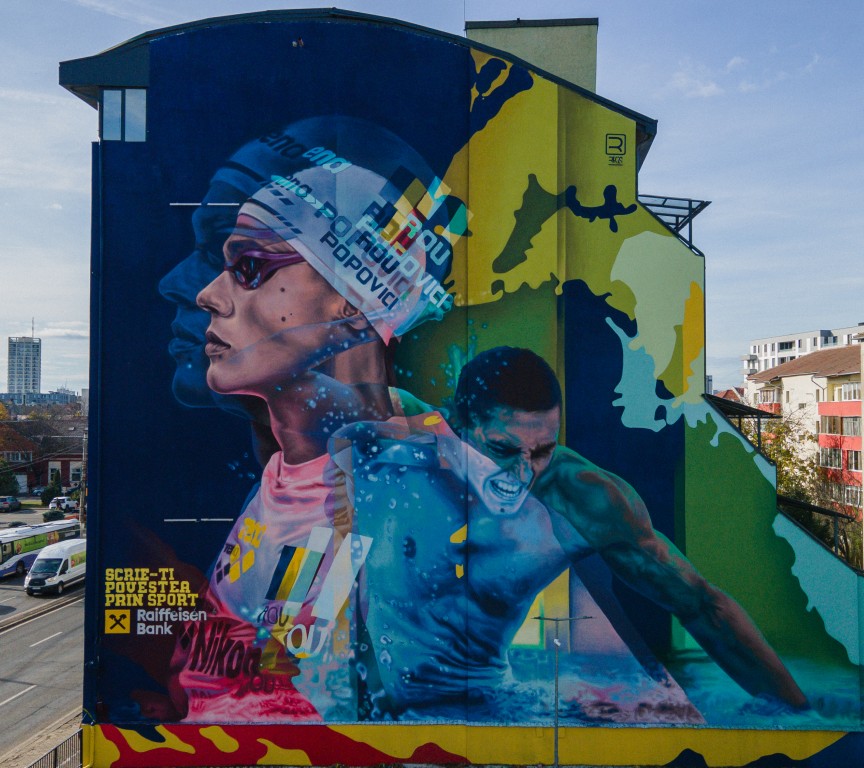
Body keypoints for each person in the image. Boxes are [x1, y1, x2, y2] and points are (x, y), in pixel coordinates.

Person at [169, 118, 463, 722]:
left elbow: (319, 706)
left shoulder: (398, 492)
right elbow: (258, 673)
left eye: (250, 267)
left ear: (351, 302)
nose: (208, 296)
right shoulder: (296, 468)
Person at [334, 346, 807, 722]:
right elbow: (310, 411)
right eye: (502, 449)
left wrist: (800, 718)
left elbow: (702, 605)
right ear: (460, 423)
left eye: (542, 450)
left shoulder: (582, 500)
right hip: (367, 705)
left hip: (486, 708)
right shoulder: (400, 446)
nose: (523, 474)